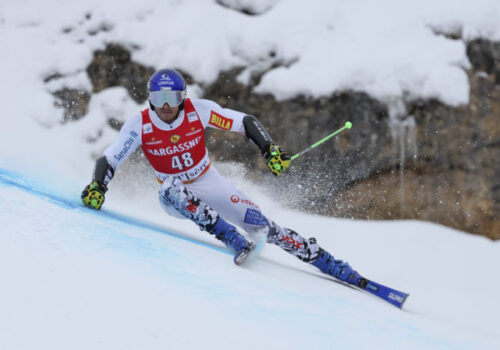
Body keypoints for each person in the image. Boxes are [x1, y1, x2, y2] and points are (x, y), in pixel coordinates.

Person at [81, 68, 363, 285]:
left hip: (207, 181)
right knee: (171, 187)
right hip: (174, 197)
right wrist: (98, 186)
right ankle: (232, 239)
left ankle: (330, 264)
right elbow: (111, 157)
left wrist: (268, 150)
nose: (166, 106)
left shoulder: (199, 111)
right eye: (159, 99)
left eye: (172, 98)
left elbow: (245, 122)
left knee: (261, 225)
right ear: (150, 99)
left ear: (183, 98)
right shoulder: (140, 124)